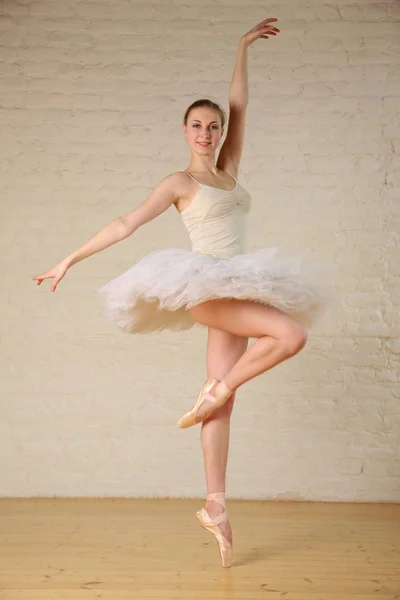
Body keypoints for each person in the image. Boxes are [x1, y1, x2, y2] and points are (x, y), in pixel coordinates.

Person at [33, 18, 328, 568]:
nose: (207, 133)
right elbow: (125, 224)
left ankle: (215, 505)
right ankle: (212, 395)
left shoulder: (229, 170)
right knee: (290, 335)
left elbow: (240, 106)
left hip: (241, 283)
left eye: (213, 126)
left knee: (226, 394)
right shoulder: (180, 183)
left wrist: (242, 49)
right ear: (185, 131)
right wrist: (67, 259)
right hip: (205, 284)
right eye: (198, 125)